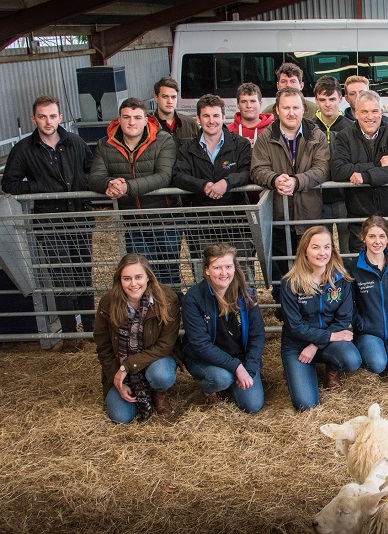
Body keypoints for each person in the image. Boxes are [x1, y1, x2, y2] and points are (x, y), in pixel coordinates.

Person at [2, 95, 96, 351]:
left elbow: (92, 170)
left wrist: (82, 187)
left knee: (83, 272)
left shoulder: (74, 142)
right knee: (61, 276)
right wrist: (40, 188)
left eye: (52, 116)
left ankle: (90, 328)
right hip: (49, 222)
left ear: (60, 117)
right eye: (42, 116)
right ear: (34, 118)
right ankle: (69, 335)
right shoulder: (24, 149)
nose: (48, 121)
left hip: (79, 218)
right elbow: (9, 182)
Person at [88, 97, 182, 290]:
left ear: (146, 119)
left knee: (169, 275)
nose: (132, 122)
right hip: (133, 223)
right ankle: (148, 318)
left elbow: (164, 176)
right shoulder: (106, 144)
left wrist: (126, 188)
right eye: (127, 117)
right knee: (141, 277)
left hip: (165, 219)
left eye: (137, 117)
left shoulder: (163, 139)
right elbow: (95, 176)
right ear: (119, 119)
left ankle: (171, 317)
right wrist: (109, 183)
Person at [250, 86, 329, 298]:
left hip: (309, 214)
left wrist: (296, 181)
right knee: (282, 266)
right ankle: (283, 310)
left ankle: (311, 304)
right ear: (277, 109)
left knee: (310, 264)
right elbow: (257, 169)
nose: (291, 112)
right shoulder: (266, 137)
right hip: (277, 214)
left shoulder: (316, 136)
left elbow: (322, 169)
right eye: (286, 108)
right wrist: (275, 179)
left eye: (296, 107)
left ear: (304, 109)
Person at [172, 94, 253, 283]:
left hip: (236, 219)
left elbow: (248, 172)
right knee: (205, 274)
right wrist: (203, 185)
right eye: (206, 116)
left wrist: (227, 183)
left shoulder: (239, 144)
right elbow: (178, 176)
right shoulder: (188, 148)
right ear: (198, 119)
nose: (211, 121)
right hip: (201, 221)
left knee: (242, 273)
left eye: (216, 116)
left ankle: (244, 311)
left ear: (224, 117)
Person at [280, 226, 362, 411]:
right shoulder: (291, 283)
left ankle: (332, 367)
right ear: (305, 250)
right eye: (315, 247)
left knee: (352, 359)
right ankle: (296, 371)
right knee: (306, 404)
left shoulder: (341, 279)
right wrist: (329, 337)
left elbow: (343, 319)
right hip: (297, 345)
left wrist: (316, 344)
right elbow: (295, 326)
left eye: (326, 247)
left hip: (326, 342)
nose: (322, 253)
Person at [94, 254, 182, 423]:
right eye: (127, 278)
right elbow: (103, 347)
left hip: (156, 360)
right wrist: (116, 377)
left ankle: (158, 394)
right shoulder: (107, 303)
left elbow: (165, 345)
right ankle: (137, 391)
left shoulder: (167, 299)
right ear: (119, 280)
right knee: (120, 417)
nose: (133, 284)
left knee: (161, 375)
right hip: (121, 367)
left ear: (148, 276)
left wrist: (127, 366)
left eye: (138, 277)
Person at [181, 243, 265, 413]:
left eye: (228, 266)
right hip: (205, 359)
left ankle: (235, 379)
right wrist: (237, 367)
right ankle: (210, 388)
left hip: (239, 357)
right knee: (221, 378)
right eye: (217, 267)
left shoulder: (247, 295)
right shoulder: (193, 298)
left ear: (234, 267)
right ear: (206, 270)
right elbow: (200, 344)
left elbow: (257, 336)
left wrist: (249, 368)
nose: (224, 273)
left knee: (252, 405)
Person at [331, 90, 388, 253]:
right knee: (361, 268)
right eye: (365, 111)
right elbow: (338, 170)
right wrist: (377, 165)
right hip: (360, 217)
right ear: (356, 113)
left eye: (375, 111)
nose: (370, 116)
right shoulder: (344, 137)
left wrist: (366, 176)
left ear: (381, 112)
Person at [348, 216, 388, 386]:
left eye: (382, 236)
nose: (377, 242)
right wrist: (361, 323)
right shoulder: (354, 268)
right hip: (369, 332)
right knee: (377, 364)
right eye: (372, 236)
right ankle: (371, 352)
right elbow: (349, 304)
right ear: (363, 237)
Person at [313, 75, 355, 255]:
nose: (327, 104)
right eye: (322, 100)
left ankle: (347, 281)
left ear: (340, 98)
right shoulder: (309, 128)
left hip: (345, 196)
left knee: (348, 247)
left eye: (332, 99)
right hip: (318, 197)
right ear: (316, 100)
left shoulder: (352, 127)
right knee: (322, 247)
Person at [151, 77, 198, 151]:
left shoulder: (191, 124)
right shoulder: (148, 126)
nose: (170, 101)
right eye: (165, 97)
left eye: (173, 97)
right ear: (156, 98)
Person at [227, 82, 274, 148]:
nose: (248, 106)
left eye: (252, 101)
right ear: (238, 105)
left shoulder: (273, 130)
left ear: (260, 104)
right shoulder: (227, 131)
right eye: (244, 102)